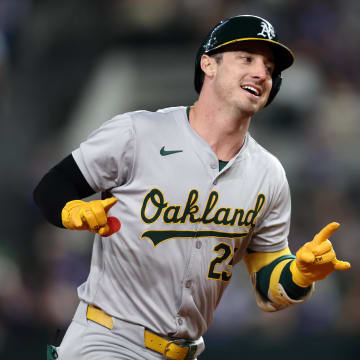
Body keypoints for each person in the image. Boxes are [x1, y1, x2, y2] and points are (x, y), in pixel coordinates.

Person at [34, 15, 350, 360]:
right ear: (208, 64)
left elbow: (268, 288)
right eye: (247, 58)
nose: (262, 72)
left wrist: (301, 275)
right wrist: (72, 210)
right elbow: (53, 187)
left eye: (270, 66)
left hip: (185, 352)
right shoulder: (138, 133)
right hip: (108, 340)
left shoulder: (268, 173)